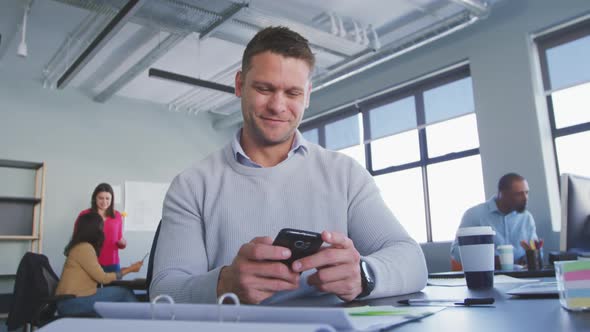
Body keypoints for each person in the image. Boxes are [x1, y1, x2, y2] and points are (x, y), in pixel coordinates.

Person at [150, 26, 427, 305]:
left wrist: (364, 275)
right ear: (239, 84)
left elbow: (412, 260)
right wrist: (222, 284)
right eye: (264, 88)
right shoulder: (192, 185)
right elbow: (163, 292)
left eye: (292, 93)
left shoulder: (345, 175)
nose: (277, 106)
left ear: (307, 95)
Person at [56, 212, 143, 316]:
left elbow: (98, 274)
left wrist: (126, 269)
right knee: (123, 293)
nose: (103, 231)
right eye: (102, 227)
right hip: (71, 303)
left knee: (122, 292)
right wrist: (130, 269)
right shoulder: (84, 248)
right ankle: (145, 323)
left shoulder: (81, 246)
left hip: (74, 298)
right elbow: (103, 278)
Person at [450, 173, 539, 268]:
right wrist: (488, 259)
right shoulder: (474, 215)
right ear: (502, 193)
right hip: (487, 275)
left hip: (522, 276)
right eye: (518, 194)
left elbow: (536, 249)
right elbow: (456, 251)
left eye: (526, 192)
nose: (525, 198)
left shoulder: (526, 218)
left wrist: (531, 257)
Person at [75, 183, 126, 272]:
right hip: (89, 262)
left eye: (107, 198)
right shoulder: (85, 214)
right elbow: (76, 238)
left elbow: (119, 239)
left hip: (112, 263)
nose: (104, 201)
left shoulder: (117, 215)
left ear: (112, 199)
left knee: (114, 286)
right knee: (90, 286)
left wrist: (123, 244)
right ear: (95, 198)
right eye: (101, 198)